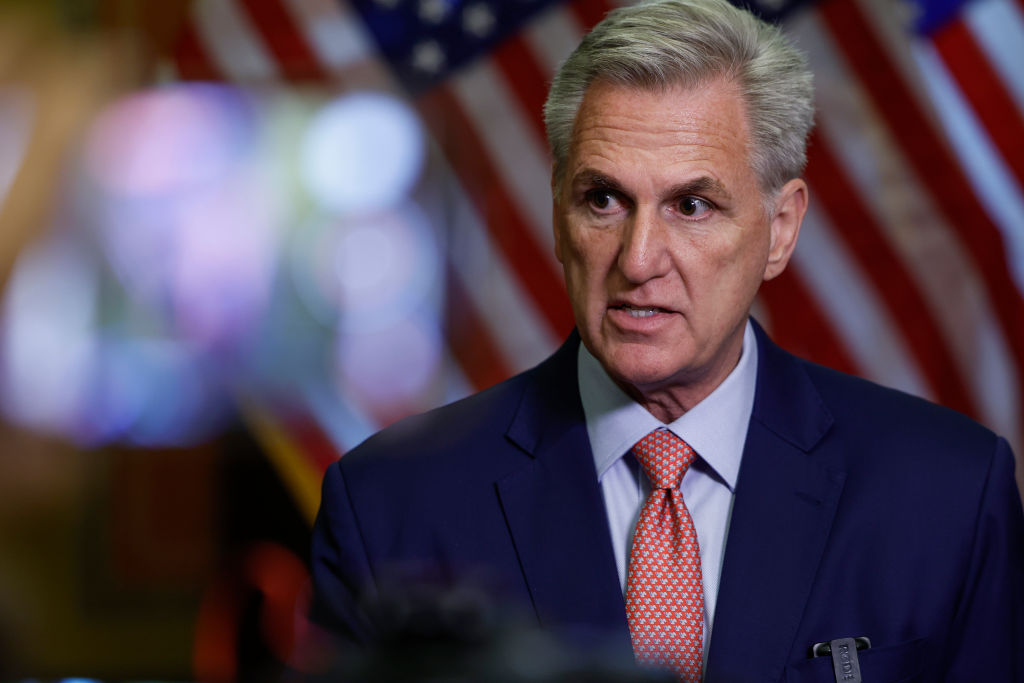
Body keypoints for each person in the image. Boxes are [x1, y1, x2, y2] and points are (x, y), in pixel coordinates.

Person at [310, 0, 1024, 680]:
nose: (639, 257)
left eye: (691, 204)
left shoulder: (949, 494)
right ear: (559, 214)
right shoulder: (388, 508)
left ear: (780, 229)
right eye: (604, 199)